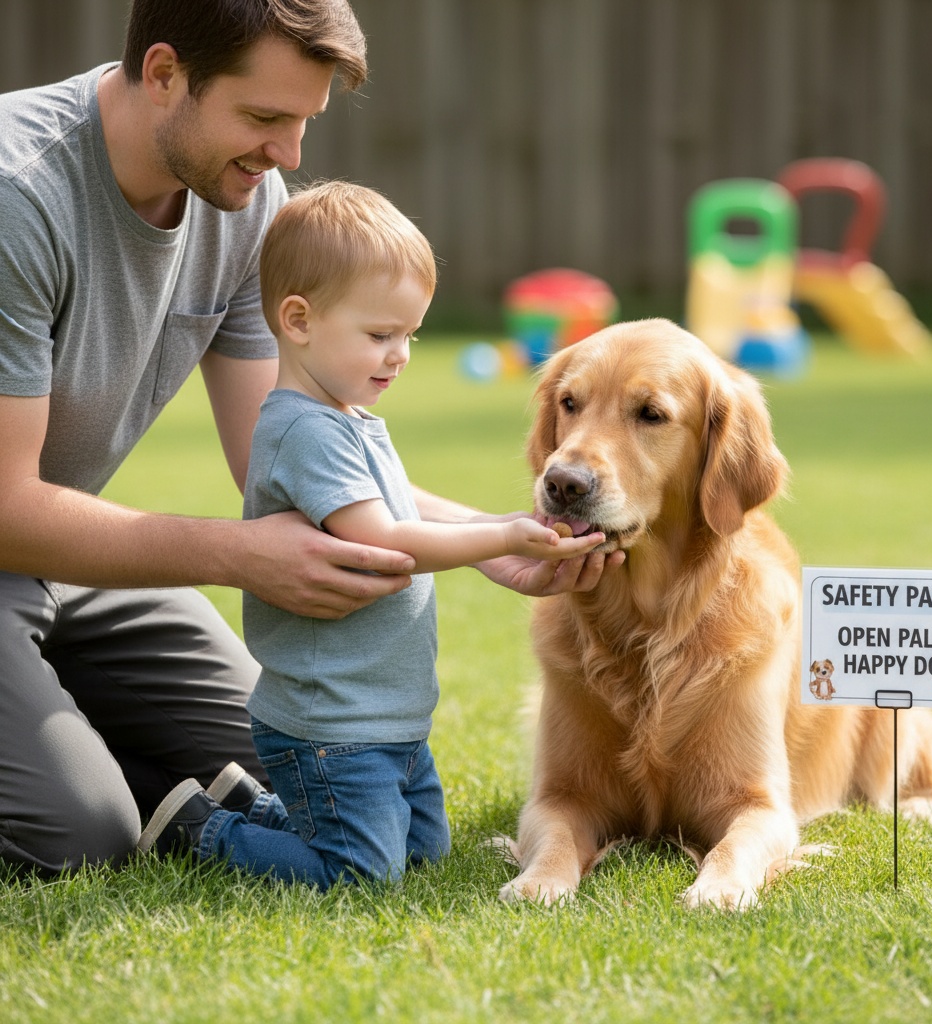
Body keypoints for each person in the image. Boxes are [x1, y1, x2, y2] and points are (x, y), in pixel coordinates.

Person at [0, 0, 621, 879]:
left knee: (297, 757)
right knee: (75, 835)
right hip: (13, 529)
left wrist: (491, 544)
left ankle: (72, 743)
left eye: (304, 122)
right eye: (264, 116)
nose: (288, 154)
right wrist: (240, 555)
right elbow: (6, 505)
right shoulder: (19, 196)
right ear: (165, 73)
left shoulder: (241, 196)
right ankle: (83, 781)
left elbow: (294, 454)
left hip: (60, 561)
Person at [136, 181, 606, 887]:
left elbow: (400, 508)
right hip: (333, 724)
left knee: (424, 853)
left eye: (409, 335)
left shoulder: (349, 418)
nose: (401, 355)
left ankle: (249, 805)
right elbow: (385, 540)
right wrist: (504, 537)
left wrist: (499, 532)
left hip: (385, 716)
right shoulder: (305, 431)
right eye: (381, 335)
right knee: (360, 872)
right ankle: (200, 833)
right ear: (298, 320)